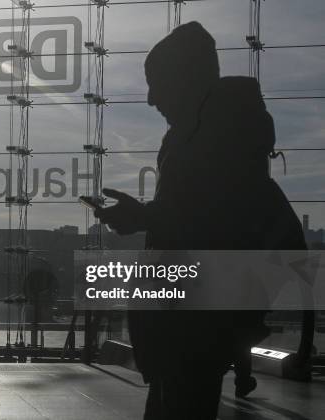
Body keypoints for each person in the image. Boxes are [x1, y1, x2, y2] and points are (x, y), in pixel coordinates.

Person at [94, 21, 305, 419]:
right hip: (188, 322)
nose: (152, 98)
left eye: (158, 83)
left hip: (193, 325)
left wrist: (144, 217)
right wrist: (148, 217)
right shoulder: (211, 134)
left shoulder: (218, 135)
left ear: (187, 79)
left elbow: (212, 220)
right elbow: (208, 214)